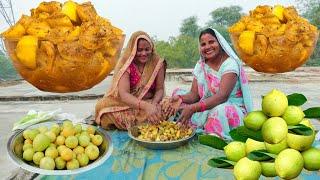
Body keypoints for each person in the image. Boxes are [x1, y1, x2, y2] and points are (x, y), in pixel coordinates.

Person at [171, 28, 253, 139]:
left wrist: (192, 108)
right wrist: (180, 98)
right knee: (177, 95)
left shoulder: (230, 64)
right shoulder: (201, 65)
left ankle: (213, 134)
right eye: (203, 44)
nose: (207, 47)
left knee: (219, 111)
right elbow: (194, 95)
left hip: (229, 107)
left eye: (211, 42)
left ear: (219, 43)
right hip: (207, 105)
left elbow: (222, 96)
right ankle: (185, 127)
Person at [95, 31, 170, 130]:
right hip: (127, 104)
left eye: (147, 49)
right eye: (139, 50)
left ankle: (147, 121)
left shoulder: (157, 63)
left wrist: (153, 105)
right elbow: (124, 95)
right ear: (133, 49)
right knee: (102, 108)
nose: (143, 53)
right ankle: (148, 123)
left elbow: (160, 89)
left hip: (151, 101)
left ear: (152, 48)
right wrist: (146, 107)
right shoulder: (126, 65)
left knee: (169, 104)